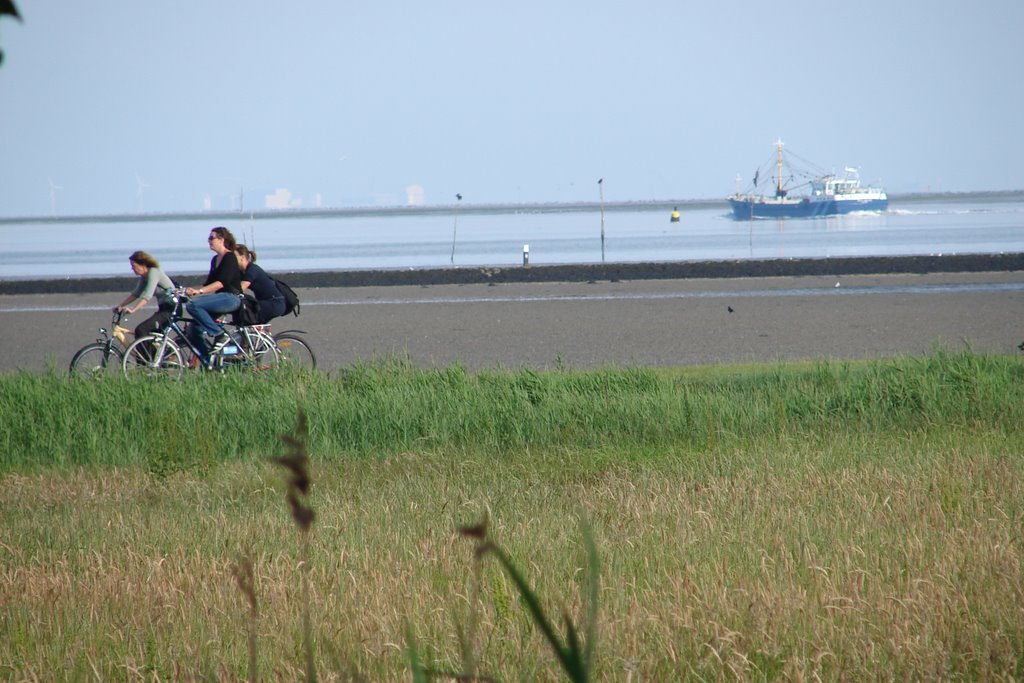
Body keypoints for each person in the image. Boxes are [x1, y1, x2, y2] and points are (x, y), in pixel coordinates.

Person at [185, 226, 242, 362]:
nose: (209, 241)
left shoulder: (229, 257)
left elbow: (222, 282)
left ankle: (219, 334)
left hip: (231, 298)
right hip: (219, 299)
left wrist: (199, 292)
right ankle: (208, 362)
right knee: (193, 329)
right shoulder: (215, 260)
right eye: (208, 239)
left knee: (192, 306)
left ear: (221, 239)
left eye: (212, 238)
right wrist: (191, 290)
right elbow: (209, 284)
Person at [114, 250, 176, 339]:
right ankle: (153, 352)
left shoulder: (154, 272)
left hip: (172, 309)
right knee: (149, 334)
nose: (132, 269)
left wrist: (134, 310)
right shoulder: (145, 276)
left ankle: (148, 353)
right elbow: (136, 294)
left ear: (143, 264)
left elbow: (147, 295)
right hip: (163, 309)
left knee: (141, 330)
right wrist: (120, 306)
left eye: (134, 266)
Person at [234, 244, 286, 324]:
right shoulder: (241, 272)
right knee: (244, 319)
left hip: (274, 303)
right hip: (267, 302)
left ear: (242, 257)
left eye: (233, 256)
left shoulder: (252, 270)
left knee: (245, 314)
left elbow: (240, 288)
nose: (230, 259)